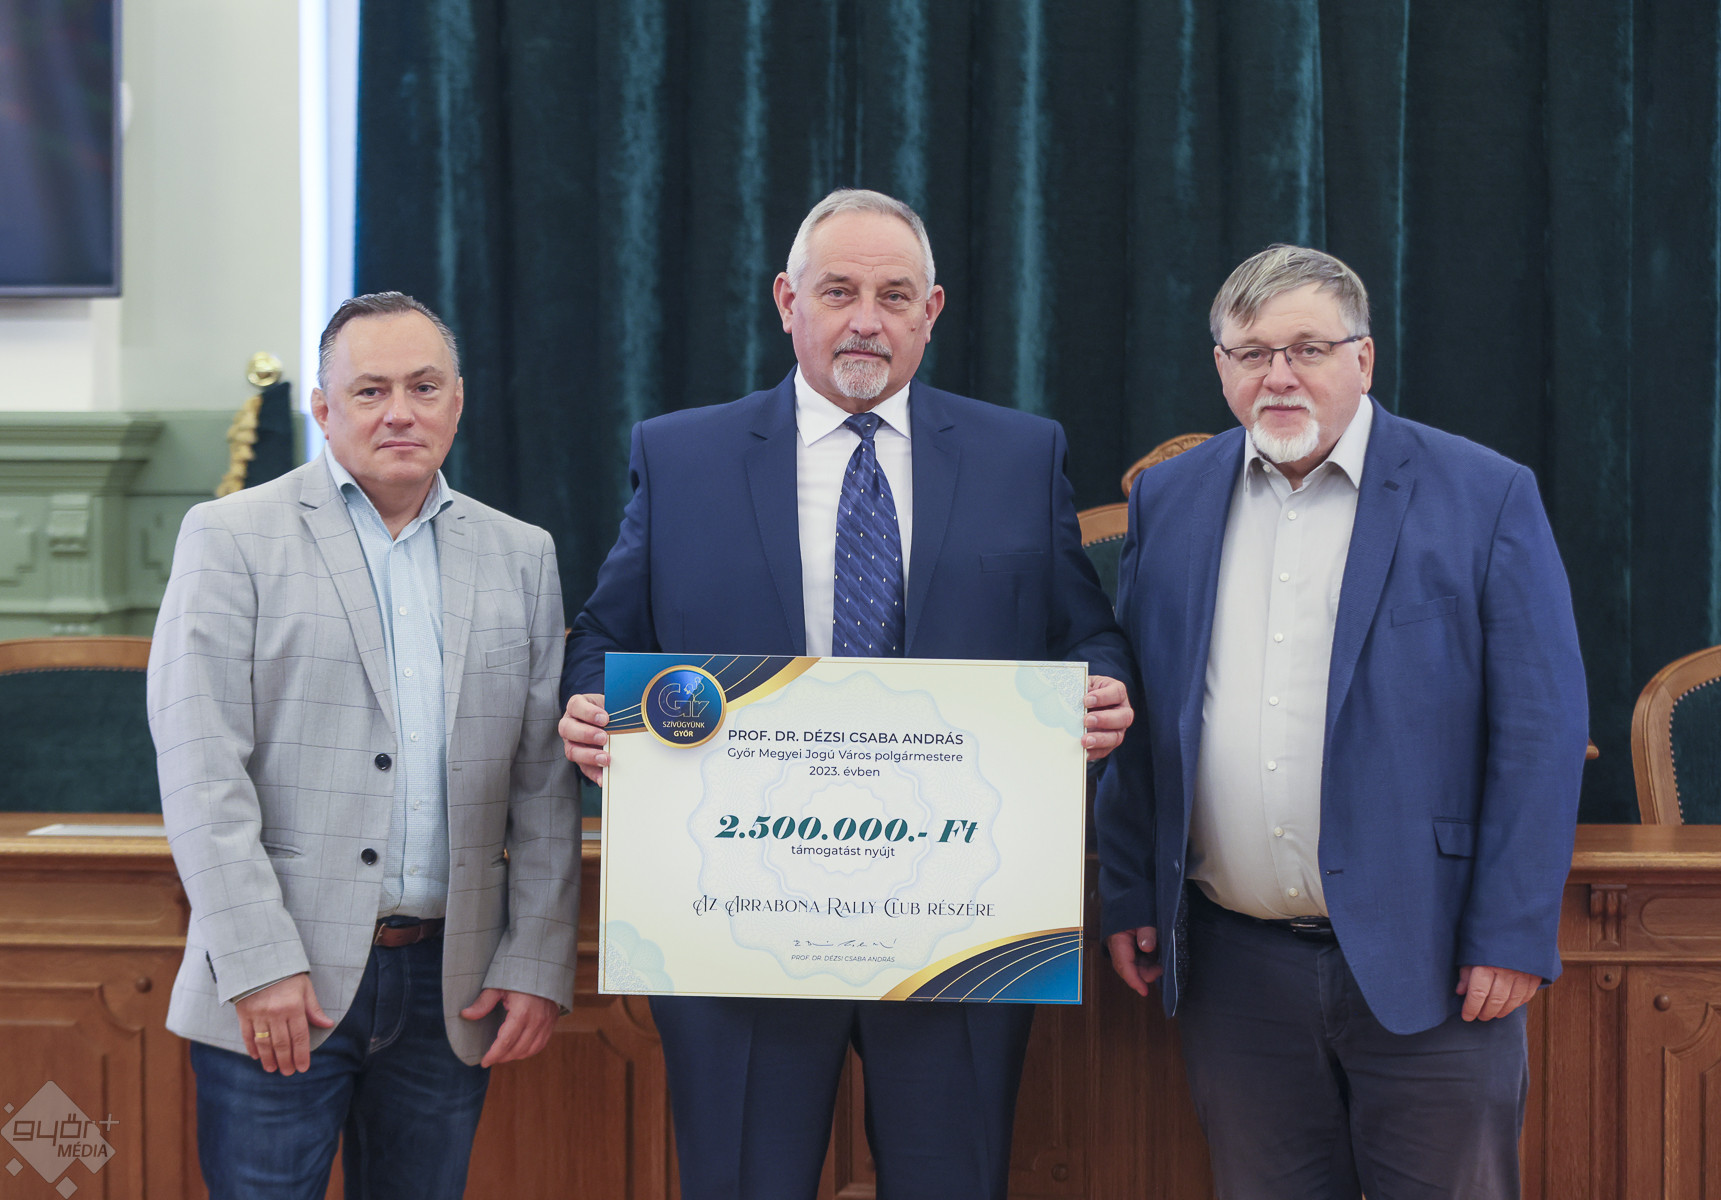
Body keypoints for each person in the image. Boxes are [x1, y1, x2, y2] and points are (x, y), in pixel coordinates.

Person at [559, 188, 1134, 1200]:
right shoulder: (682, 456)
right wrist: (587, 707)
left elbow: (1082, 633)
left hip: (959, 919)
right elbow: (605, 636)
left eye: (893, 295)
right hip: (737, 920)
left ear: (930, 312)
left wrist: (1104, 687)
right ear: (788, 301)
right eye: (838, 291)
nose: (866, 318)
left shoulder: (1019, 455)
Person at [1095, 244, 1588, 1198]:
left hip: (1434, 964)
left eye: (1308, 348)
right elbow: (1148, 716)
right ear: (1220, 369)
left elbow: (1540, 728)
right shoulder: (1169, 498)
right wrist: (1127, 892)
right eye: (1251, 353)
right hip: (1235, 968)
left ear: (1362, 358)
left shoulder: (1482, 493)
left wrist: (1511, 929)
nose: (1278, 375)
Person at [148, 292, 579, 1199]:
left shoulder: (521, 554)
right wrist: (259, 962)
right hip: (282, 984)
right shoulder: (230, 537)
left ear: (457, 402)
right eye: (370, 390)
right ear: (322, 407)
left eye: (424, 387)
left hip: (449, 984)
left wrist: (536, 959)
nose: (399, 412)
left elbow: (543, 785)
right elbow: (200, 767)